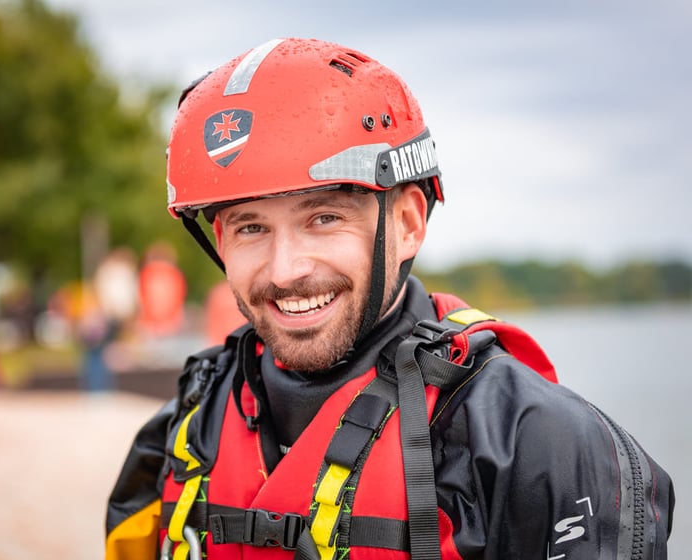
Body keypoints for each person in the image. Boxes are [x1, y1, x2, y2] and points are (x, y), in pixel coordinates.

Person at [105, 38, 674, 560]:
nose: (284, 271)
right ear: (222, 241)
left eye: (323, 218)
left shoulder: (541, 445)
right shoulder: (185, 426)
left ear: (406, 223)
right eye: (252, 228)